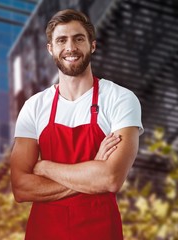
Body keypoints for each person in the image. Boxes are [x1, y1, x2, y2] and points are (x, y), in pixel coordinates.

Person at [10, 9, 144, 240]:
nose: (70, 47)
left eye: (78, 38)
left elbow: (111, 179)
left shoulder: (120, 99)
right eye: (62, 40)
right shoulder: (34, 106)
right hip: (44, 233)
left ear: (92, 45)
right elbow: (21, 188)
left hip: (100, 232)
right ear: (50, 49)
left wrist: (44, 168)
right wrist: (93, 169)